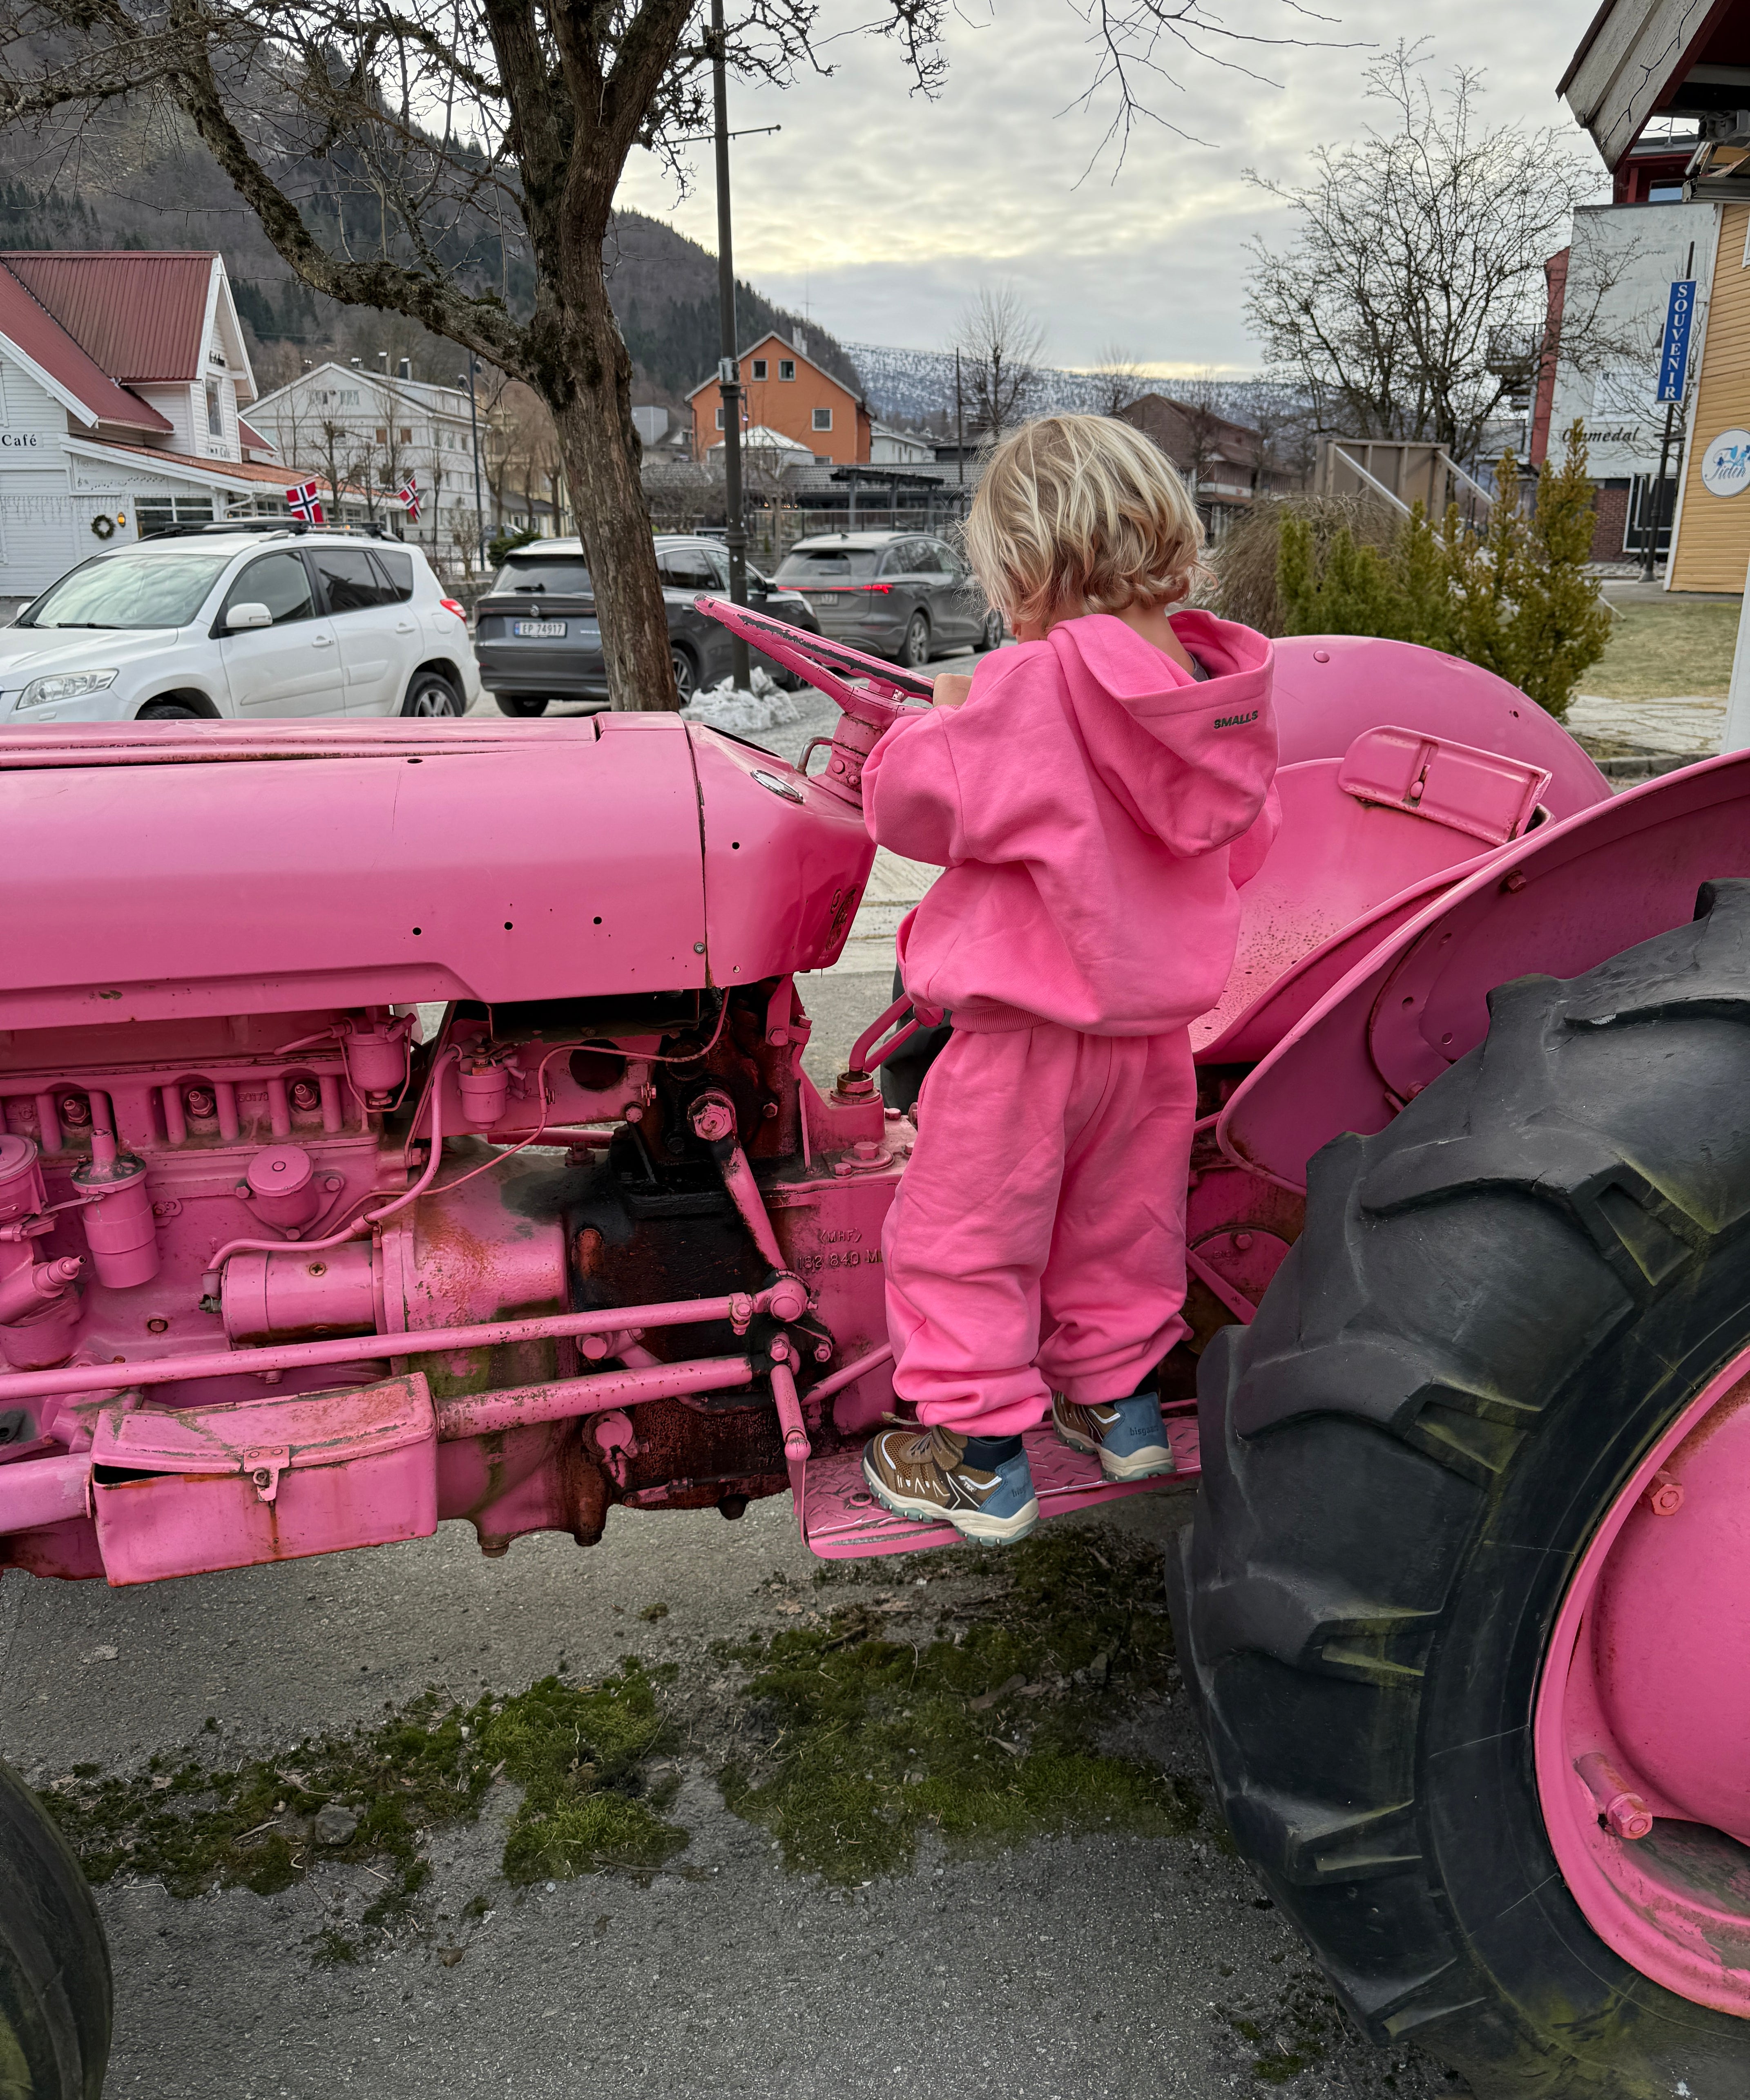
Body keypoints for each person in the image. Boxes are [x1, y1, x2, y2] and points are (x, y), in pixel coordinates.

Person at [859, 413, 1278, 1543]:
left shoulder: (1030, 686)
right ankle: (1120, 1405)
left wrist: (921, 726)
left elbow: (911, 805)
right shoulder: (1210, 693)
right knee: (1118, 1231)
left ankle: (977, 1455)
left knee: (964, 1239)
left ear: (1034, 562)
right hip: (1150, 1045)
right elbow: (1248, 839)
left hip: (1023, 1041)